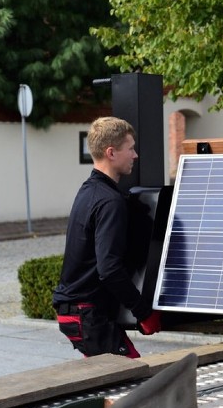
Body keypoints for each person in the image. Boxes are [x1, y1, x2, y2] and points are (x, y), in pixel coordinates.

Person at [52, 116, 161, 359]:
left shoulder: (89, 191)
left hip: (79, 312)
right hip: (87, 314)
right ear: (111, 153)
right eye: (130, 148)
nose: (135, 155)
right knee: (133, 379)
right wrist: (144, 313)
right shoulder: (110, 202)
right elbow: (109, 269)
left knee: (113, 385)